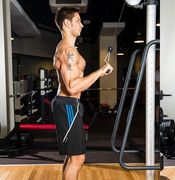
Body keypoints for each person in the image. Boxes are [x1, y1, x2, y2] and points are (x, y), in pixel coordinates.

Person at [51, 7, 113, 180]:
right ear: (66, 23)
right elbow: (71, 87)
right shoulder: (67, 52)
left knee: (73, 156)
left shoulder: (70, 49)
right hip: (67, 104)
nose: (82, 25)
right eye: (77, 21)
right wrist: (99, 72)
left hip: (71, 105)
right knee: (78, 158)